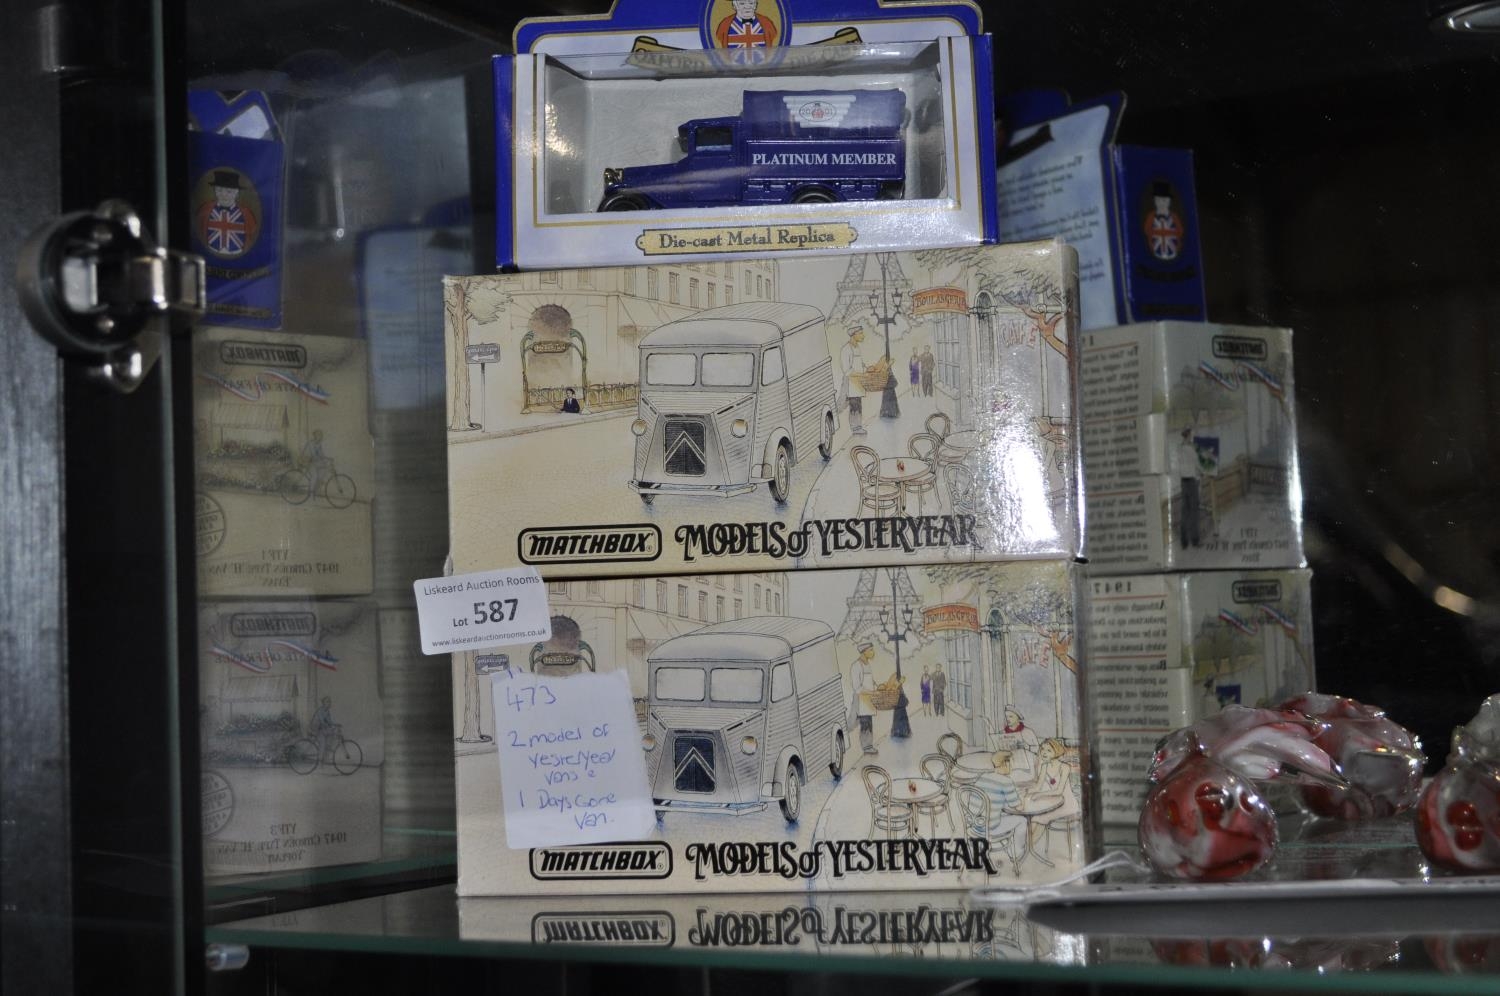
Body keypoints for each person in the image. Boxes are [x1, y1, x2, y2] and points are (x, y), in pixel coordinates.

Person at [971, 754, 1028, 872]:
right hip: (990, 828)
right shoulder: (1006, 782)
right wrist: (1022, 797)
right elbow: (1019, 808)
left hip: (974, 824)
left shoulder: (983, 776)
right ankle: (1016, 852)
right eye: (1012, 763)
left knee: (1006, 815)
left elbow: (993, 798)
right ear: (1006, 763)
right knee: (1022, 820)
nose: (1013, 767)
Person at [1173, 426, 1202, 548]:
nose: (1192, 437)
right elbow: (1198, 465)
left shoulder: (1178, 448)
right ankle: (1195, 540)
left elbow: (1177, 465)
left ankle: (1184, 541)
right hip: (1191, 482)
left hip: (1183, 482)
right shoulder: (1191, 450)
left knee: (1185, 512)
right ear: (1188, 435)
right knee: (1194, 511)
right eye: (1191, 435)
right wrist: (1203, 471)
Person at [849, 643, 879, 755]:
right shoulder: (856, 666)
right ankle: (866, 746)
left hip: (868, 700)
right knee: (853, 723)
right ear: (864, 652)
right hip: (860, 700)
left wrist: (877, 686)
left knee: (867, 722)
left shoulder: (867, 664)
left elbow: (870, 681)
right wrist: (872, 692)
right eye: (870, 650)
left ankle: (867, 746)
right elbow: (857, 687)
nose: (873, 652)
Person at [713, 0, 778, 52]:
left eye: (751, 3)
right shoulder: (724, 25)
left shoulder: (767, 23)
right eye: (742, 3)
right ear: (734, 6)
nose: (747, 6)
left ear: (755, 5)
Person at [1144, 180, 1184, 262]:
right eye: (1158, 200)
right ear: (1155, 201)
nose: (1161, 203)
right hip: (1155, 254)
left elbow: (1180, 232)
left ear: (1169, 202)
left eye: (1164, 200)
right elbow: (1147, 231)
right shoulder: (1151, 217)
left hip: (1172, 254)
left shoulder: (1174, 217)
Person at [839, 327, 868, 435]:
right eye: (860, 333)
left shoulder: (857, 347)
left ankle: (857, 427)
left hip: (857, 382)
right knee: (842, 405)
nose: (863, 336)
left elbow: (859, 364)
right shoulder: (846, 349)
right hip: (850, 382)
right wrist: (862, 374)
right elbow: (847, 370)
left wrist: (866, 368)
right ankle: (855, 428)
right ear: (853, 335)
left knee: (856, 404)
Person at [299, 429, 333, 496]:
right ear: (315, 436)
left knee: (323, 470)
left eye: (321, 436)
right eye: (319, 435)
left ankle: (316, 488)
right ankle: (311, 492)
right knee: (314, 475)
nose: (321, 437)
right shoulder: (311, 444)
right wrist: (321, 460)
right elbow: (313, 455)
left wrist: (327, 458)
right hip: (306, 461)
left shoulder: (318, 444)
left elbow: (321, 454)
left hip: (312, 461)